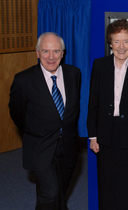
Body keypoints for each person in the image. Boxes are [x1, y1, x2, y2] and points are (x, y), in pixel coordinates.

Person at [9, 32, 81, 210]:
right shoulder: (24, 80)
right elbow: (17, 113)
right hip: (40, 146)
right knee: (50, 194)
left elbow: (73, 110)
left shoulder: (74, 74)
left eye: (56, 51)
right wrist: (35, 131)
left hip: (68, 146)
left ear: (63, 53)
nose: (51, 57)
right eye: (45, 51)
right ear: (37, 53)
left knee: (59, 193)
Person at [87, 19, 128, 210]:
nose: (121, 46)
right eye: (117, 41)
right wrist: (93, 135)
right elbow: (93, 103)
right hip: (105, 135)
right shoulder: (100, 66)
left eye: (125, 41)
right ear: (110, 43)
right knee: (107, 186)